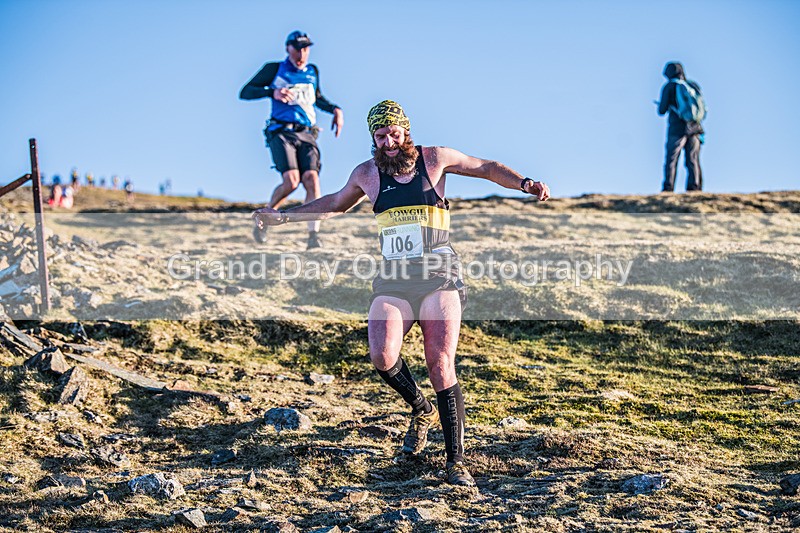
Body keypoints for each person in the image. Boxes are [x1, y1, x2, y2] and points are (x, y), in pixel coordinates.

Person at [253, 100, 551, 486]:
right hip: (394, 278)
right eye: (381, 136)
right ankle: (420, 408)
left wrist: (524, 183)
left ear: (405, 131)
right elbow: (334, 205)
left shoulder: (434, 159)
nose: (389, 142)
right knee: (382, 354)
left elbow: (487, 168)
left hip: (438, 275)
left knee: (440, 362)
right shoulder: (367, 174)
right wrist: (284, 217)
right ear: (373, 138)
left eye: (394, 134)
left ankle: (455, 462)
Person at [240, 30, 344, 249]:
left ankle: (313, 237)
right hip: (282, 132)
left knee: (312, 180)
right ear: (287, 48)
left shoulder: (312, 71)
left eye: (306, 48)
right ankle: (265, 217)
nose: (301, 53)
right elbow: (246, 92)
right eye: (297, 48)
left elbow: (317, 99)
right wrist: (272, 92)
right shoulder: (274, 69)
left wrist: (335, 109)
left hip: (307, 132)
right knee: (291, 182)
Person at [657, 62, 704, 192]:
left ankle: (668, 187)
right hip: (695, 127)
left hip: (677, 128)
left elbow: (662, 110)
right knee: (693, 159)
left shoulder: (669, 86)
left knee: (672, 158)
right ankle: (695, 188)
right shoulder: (692, 86)